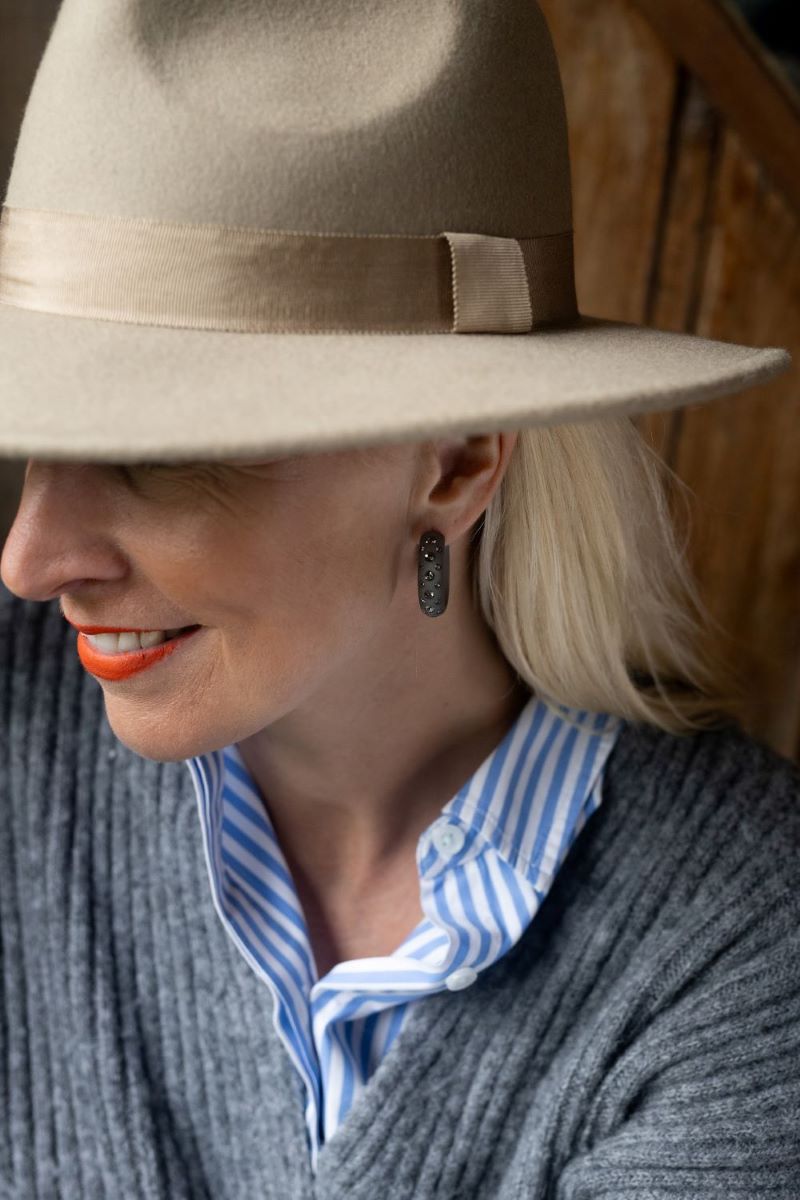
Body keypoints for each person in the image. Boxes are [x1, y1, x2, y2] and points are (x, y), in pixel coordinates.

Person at [0, 1, 797, 1197]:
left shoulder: (742, 938)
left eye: (155, 453)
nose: (29, 556)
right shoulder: (17, 744)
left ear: (457, 458)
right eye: (32, 439)